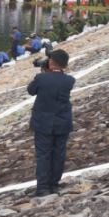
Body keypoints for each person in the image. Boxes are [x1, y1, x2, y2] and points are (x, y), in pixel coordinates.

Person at [27, 48, 75, 196]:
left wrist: (43, 72)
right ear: (65, 65)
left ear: (51, 62)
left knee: (43, 155)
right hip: (63, 122)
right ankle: (54, 184)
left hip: (43, 123)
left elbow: (31, 90)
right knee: (59, 154)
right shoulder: (69, 80)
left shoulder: (41, 78)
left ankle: (43, 187)